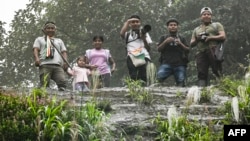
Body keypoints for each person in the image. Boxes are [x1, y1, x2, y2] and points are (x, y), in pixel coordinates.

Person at [190, 7, 226, 86]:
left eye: (208, 14)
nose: (206, 16)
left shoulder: (216, 25)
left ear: (211, 16)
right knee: (201, 73)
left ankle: (222, 88)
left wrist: (210, 38)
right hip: (201, 52)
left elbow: (223, 36)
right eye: (204, 14)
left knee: (217, 70)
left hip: (213, 50)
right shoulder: (196, 29)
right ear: (201, 16)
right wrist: (198, 39)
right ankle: (202, 91)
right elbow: (191, 43)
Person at [33, 21, 68, 91]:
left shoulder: (59, 41)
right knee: (44, 83)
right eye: (48, 28)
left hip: (57, 65)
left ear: (55, 30)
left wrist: (65, 62)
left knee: (62, 83)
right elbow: (35, 49)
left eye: (52, 28)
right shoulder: (39, 39)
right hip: (45, 64)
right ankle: (42, 98)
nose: (50, 30)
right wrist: (37, 59)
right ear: (45, 29)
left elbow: (64, 52)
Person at [156, 18, 190, 87]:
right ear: (167, 27)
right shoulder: (163, 37)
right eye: (171, 25)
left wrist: (180, 44)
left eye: (175, 25)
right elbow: (159, 49)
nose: (173, 26)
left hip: (180, 64)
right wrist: (165, 42)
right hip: (166, 63)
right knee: (159, 77)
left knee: (181, 81)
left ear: (178, 27)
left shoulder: (182, 38)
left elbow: (188, 50)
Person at [120, 15, 152, 84]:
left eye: (137, 22)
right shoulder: (128, 34)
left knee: (144, 76)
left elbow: (148, 48)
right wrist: (127, 21)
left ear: (140, 23)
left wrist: (144, 39)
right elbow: (122, 34)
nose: (135, 23)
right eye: (133, 22)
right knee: (134, 76)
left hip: (144, 55)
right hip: (132, 56)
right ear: (130, 24)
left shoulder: (145, 33)